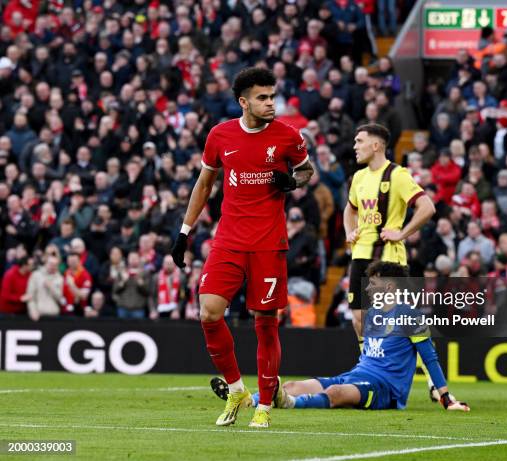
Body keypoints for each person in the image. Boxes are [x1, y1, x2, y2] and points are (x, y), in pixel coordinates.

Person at [170, 67, 314, 428]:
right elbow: (204, 185)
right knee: (209, 312)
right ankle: (236, 390)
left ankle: (264, 405)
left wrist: (292, 182)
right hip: (229, 240)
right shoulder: (220, 135)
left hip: (268, 243)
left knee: (265, 323)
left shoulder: (288, 136)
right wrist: (184, 233)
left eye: (272, 96)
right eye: (263, 98)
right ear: (243, 102)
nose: (270, 103)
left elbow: (307, 171)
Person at [212, 261, 469, 412]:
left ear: (390, 287)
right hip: (356, 375)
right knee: (291, 384)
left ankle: (289, 404)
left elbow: (430, 359)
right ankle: (248, 400)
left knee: (335, 392)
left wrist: (446, 398)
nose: (367, 287)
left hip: (385, 389)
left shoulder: (411, 317)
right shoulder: (373, 314)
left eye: (373, 283)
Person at [343, 123, 435, 344]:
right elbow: (350, 208)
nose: (355, 146)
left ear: (375, 145)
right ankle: (369, 368)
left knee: (397, 318)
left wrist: (402, 233)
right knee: (358, 318)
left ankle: (431, 370)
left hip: (388, 256)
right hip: (361, 254)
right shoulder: (358, 178)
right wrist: (350, 231)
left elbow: (427, 207)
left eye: (359, 141)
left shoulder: (398, 174)